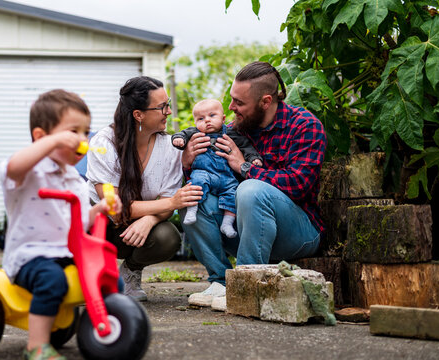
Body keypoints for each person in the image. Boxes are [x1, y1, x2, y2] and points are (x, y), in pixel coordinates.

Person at [180, 61, 327, 307]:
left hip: (298, 232)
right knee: (191, 197)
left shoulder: (304, 126)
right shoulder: (231, 131)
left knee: (251, 189)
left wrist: (244, 167)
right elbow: (210, 177)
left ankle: (245, 287)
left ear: (266, 102)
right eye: (232, 99)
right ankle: (221, 282)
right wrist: (188, 162)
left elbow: (298, 185)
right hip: (247, 230)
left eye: (239, 103)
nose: (231, 107)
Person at [0, 89, 122, 360]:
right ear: (42, 137)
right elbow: (13, 168)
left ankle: (109, 329)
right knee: (52, 280)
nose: (82, 140)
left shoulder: (75, 180)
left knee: (111, 278)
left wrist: (100, 209)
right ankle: (37, 345)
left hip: (67, 253)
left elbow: (77, 221)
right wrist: (52, 142)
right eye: (73, 133)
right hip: (31, 256)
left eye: (85, 132)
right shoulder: (29, 171)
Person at [87, 76, 203, 302]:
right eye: (162, 107)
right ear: (138, 115)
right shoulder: (104, 143)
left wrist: (149, 220)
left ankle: (130, 271)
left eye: (168, 104)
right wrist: (171, 203)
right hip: (98, 227)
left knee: (167, 236)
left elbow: (167, 203)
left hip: (134, 229)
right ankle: (86, 273)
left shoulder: (170, 149)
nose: (168, 111)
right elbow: (113, 207)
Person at [171, 99, 262, 238]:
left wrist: (253, 159)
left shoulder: (232, 134)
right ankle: (192, 209)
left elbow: (245, 147)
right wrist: (179, 140)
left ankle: (227, 223)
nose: (207, 120)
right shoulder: (195, 133)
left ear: (223, 118)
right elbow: (182, 134)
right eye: (201, 118)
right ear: (195, 123)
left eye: (212, 116)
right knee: (196, 183)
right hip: (204, 172)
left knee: (233, 194)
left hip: (227, 177)